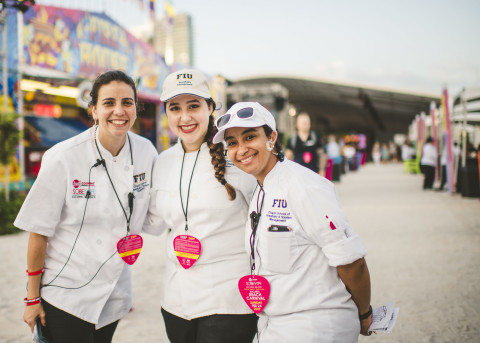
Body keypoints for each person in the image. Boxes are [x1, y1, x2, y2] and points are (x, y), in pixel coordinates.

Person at [14, 70, 158, 342]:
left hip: (114, 294)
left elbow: (159, 210)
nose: (119, 111)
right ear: (93, 110)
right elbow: (38, 232)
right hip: (66, 294)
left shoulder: (145, 151)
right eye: (108, 103)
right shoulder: (63, 157)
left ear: (136, 109)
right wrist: (32, 298)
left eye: (127, 102)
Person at [212, 102, 373, 343]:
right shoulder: (261, 189)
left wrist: (364, 313)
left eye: (250, 136)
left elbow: (352, 262)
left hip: (315, 327)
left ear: (272, 137)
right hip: (275, 325)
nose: (241, 148)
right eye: (233, 143)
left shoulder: (303, 186)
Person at [143, 69, 258, 343]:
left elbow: (267, 220)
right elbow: (155, 223)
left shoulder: (238, 156)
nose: (185, 117)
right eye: (175, 108)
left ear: (210, 107)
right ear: (166, 114)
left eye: (194, 106)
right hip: (175, 301)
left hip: (228, 300)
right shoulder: (163, 161)